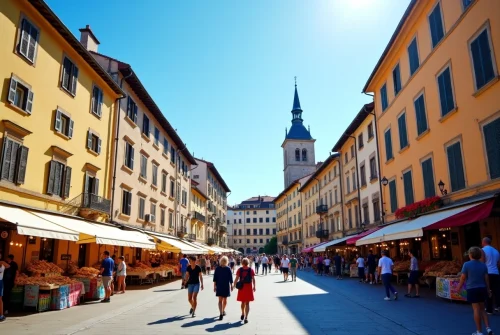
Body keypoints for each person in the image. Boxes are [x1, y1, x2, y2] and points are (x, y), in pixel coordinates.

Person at [459, 246, 494, 335]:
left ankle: (479, 331)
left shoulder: (466, 264)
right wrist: (488, 289)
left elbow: (463, 277)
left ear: (470, 255)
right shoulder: (483, 265)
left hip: (472, 288)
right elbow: (486, 278)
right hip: (482, 288)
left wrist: (458, 287)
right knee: (483, 309)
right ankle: (488, 328)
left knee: (476, 309)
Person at [233, 258, 255, 324]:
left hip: (242, 287)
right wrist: (254, 286)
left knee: (242, 302)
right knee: (247, 303)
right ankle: (246, 317)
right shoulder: (251, 270)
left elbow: (236, 278)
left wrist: (234, 285)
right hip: (248, 287)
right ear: (248, 262)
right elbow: (253, 279)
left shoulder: (240, 270)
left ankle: (242, 313)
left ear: (242, 263)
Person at [481, 237, 500, 315]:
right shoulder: (496, 251)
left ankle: (489, 309)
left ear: (484, 242)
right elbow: (498, 263)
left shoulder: (482, 250)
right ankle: (498, 305)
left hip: (487, 272)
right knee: (497, 290)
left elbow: (482, 261)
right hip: (496, 272)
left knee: (488, 290)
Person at [213, 256, 233, 320]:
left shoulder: (217, 269)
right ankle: (223, 310)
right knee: (225, 300)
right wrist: (232, 285)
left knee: (220, 301)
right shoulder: (228, 268)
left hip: (219, 285)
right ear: (227, 261)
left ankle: (221, 313)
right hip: (226, 286)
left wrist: (214, 286)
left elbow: (215, 278)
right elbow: (230, 278)